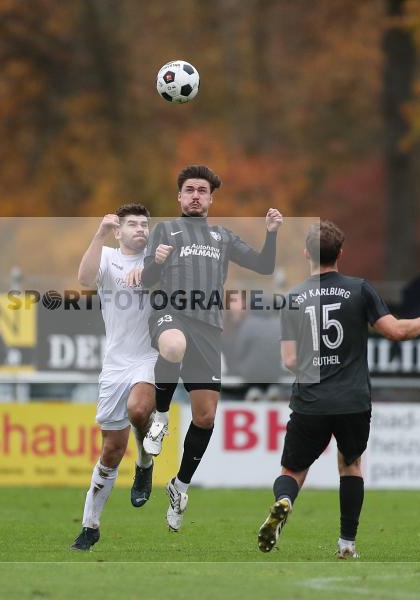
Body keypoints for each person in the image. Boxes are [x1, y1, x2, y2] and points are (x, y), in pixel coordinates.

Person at [257, 221, 420, 558]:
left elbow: (289, 359)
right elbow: (395, 331)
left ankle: (285, 500)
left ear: (306, 253)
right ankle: (347, 544)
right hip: (352, 400)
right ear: (340, 254)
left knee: (293, 471)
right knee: (350, 465)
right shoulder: (360, 289)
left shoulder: (293, 298)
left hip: (311, 400)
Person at [134, 164, 283, 532]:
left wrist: (272, 233)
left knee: (205, 417)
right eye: (190, 190)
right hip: (170, 314)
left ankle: (179, 486)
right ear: (180, 197)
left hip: (207, 328)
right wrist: (157, 262)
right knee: (172, 346)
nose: (196, 195)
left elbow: (264, 266)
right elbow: (147, 281)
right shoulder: (165, 230)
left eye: (202, 190)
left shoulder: (222, 236)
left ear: (211, 198)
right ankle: (161, 419)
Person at [69, 204, 159, 551]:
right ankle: (90, 526)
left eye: (144, 224)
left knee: (139, 410)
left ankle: (145, 462)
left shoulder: (156, 258)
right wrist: (99, 232)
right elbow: (84, 280)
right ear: (119, 232)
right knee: (110, 450)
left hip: (148, 357)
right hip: (115, 364)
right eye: (132, 224)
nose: (140, 229)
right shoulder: (106, 256)